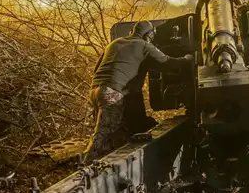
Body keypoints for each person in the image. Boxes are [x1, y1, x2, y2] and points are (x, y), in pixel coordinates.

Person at [83, 20, 193, 163]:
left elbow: (97, 68)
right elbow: (168, 63)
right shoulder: (144, 46)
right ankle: (85, 164)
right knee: (104, 134)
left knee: (117, 131)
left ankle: (99, 161)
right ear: (148, 35)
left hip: (96, 90)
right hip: (112, 93)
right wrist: (186, 59)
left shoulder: (114, 43)